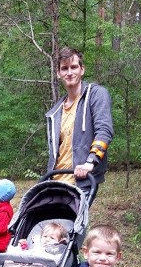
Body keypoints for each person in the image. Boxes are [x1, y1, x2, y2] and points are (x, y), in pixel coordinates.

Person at [45, 46, 113, 201]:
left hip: (81, 182)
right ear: (58, 73)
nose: (69, 72)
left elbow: (104, 130)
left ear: (82, 69)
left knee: (70, 225)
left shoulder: (96, 95)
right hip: (55, 182)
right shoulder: (55, 112)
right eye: (64, 68)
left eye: (74, 67)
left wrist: (90, 162)